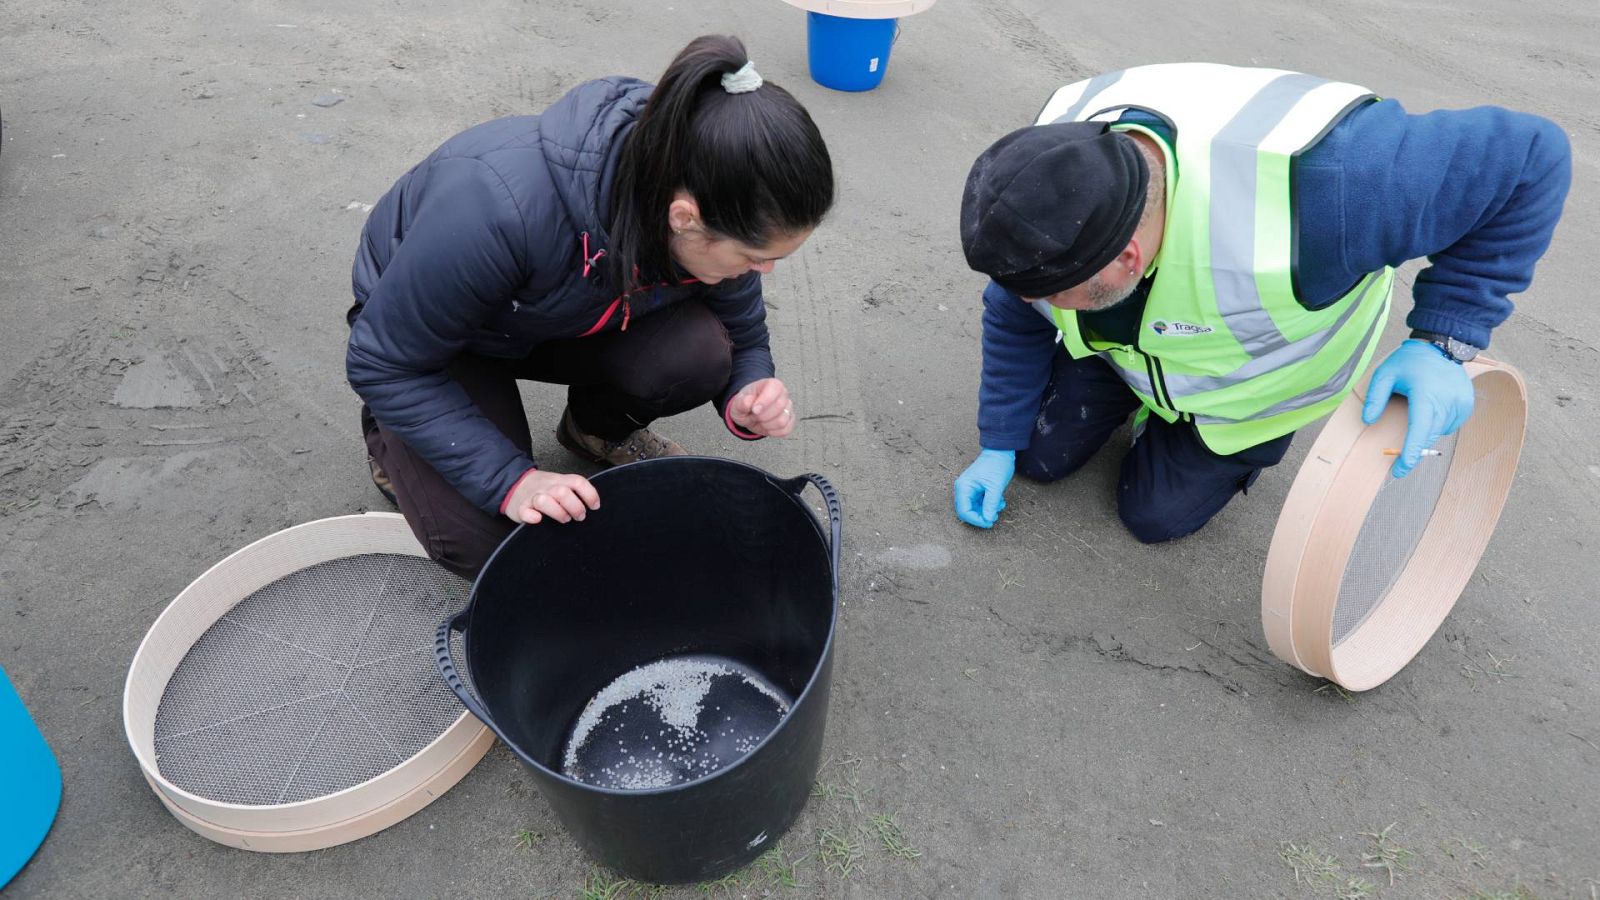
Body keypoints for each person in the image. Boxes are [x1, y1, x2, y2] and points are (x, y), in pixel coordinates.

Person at [952, 63, 1570, 541]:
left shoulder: (1338, 188)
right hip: (1135, 349)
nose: (1036, 302)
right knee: (1036, 456)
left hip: (1250, 393)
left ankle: (1204, 441)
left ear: (1128, 260)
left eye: (1055, 294)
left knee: (1153, 517)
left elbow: (1529, 158)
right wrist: (997, 443)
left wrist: (1444, 341)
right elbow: (1012, 308)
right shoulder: (1056, 158)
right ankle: (1126, 386)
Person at [347, 35, 834, 577]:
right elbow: (385, 362)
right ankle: (388, 443)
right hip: (442, 341)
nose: (763, 271)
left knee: (701, 353)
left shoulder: (713, 188)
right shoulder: (495, 207)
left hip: (555, 316)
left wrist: (748, 387)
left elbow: (741, 331)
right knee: (496, 541)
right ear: (684, 217)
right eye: (755, 256)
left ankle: (593, 428)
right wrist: (513, 481)